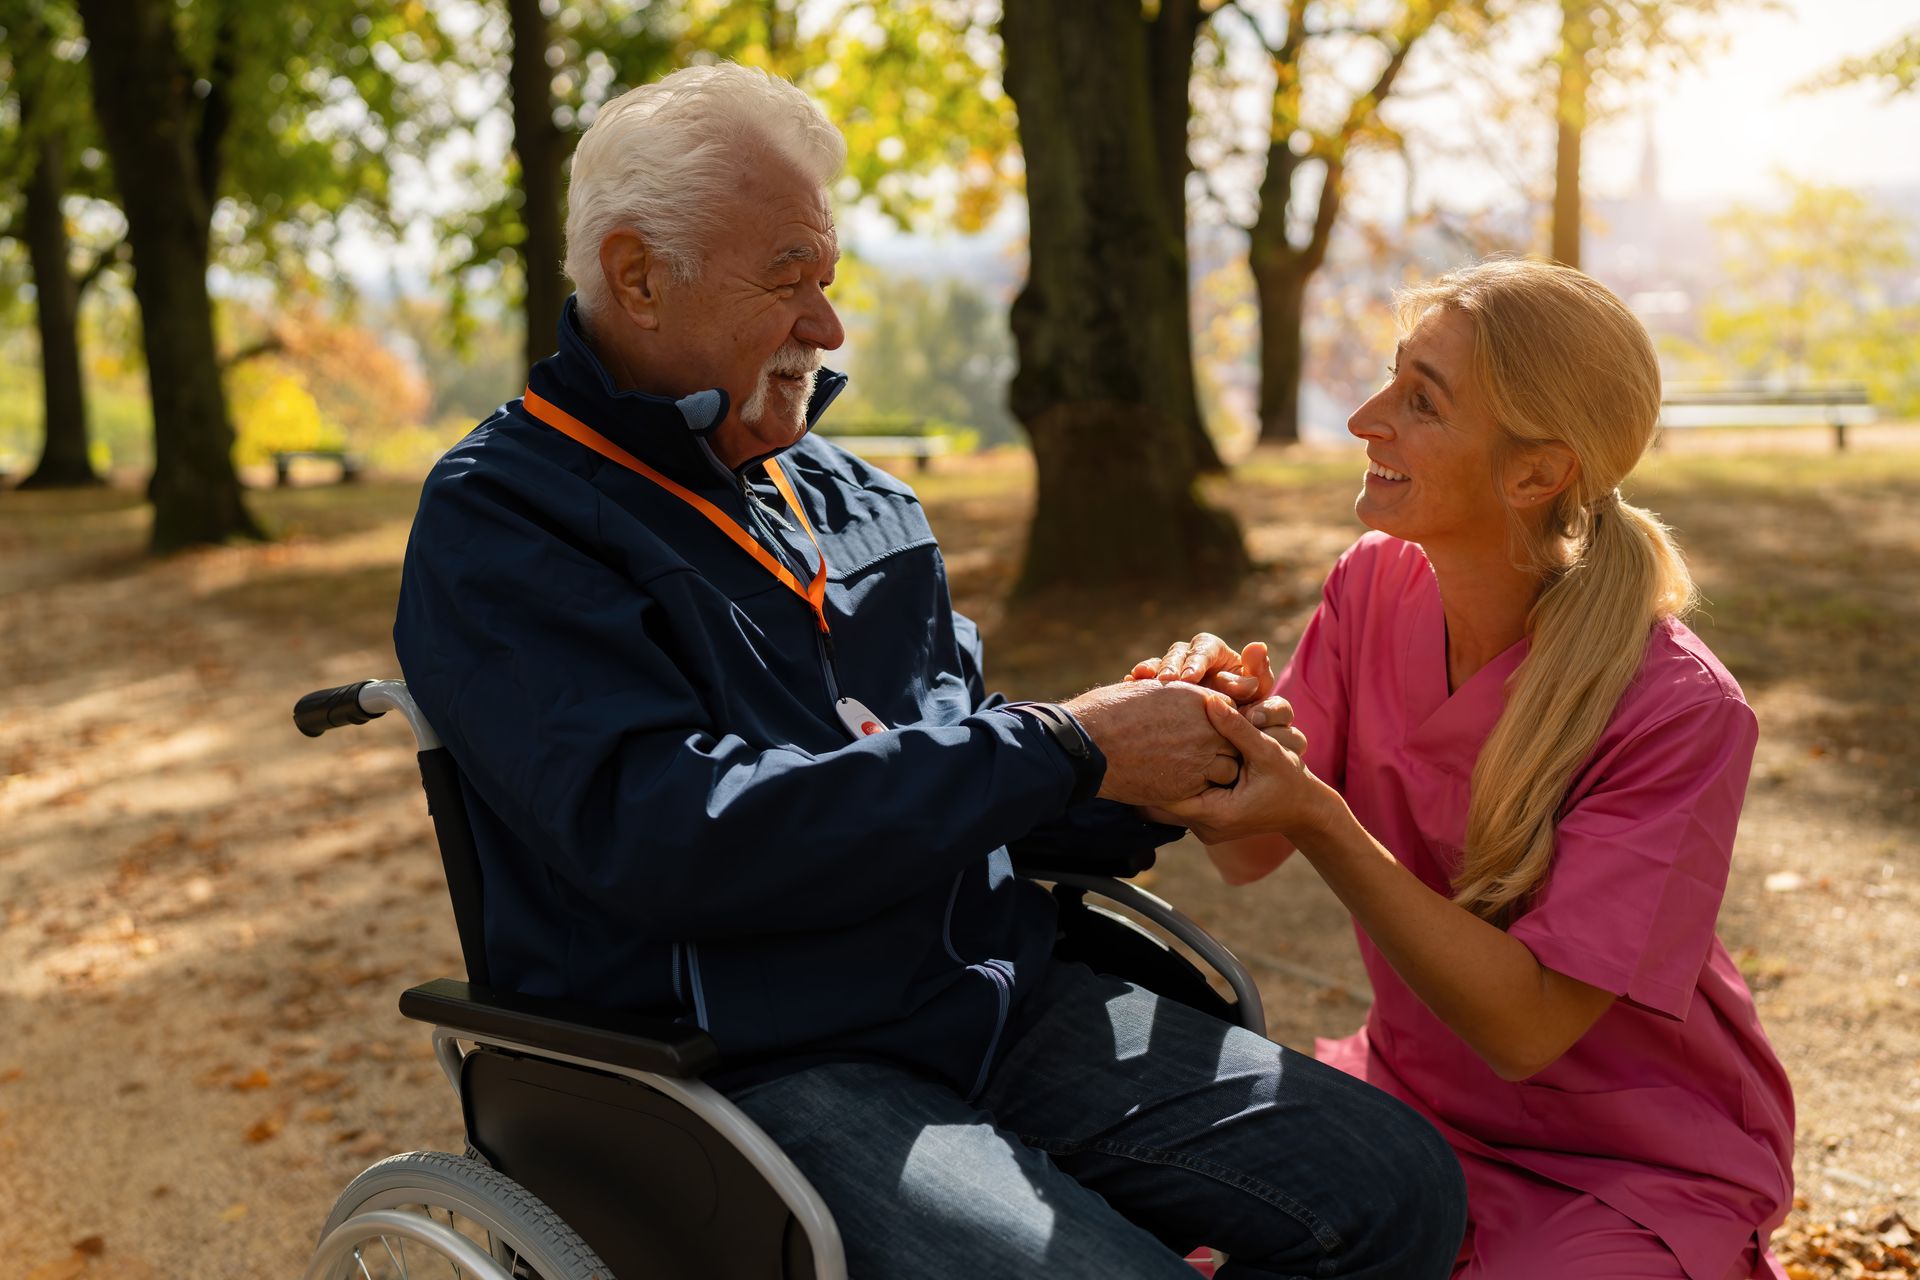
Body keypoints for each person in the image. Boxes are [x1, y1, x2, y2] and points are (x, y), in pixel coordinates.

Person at [393, 62, 1465, 1278]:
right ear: (638, 275)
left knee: (1399, 1189)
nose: (828, 327)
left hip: (995, 996)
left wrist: (1147, 762)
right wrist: (1065, 744)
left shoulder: (864, 502)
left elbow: (954, 772)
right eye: (788, 281)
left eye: (829, 282)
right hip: (750, 1057)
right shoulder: (510, 521)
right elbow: (674, 837)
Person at [1134, 258, 1794, 1280]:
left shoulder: (1681, 710)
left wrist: (1316, 812)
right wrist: (1218, 727)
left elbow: (1526, 1026)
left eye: (1419, 400)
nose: (1365, 417)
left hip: (1627, 1156)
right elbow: (1251, 848)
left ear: (1536, 472)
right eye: (1388, 378)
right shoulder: (1372, 585)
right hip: (1410, 1097)